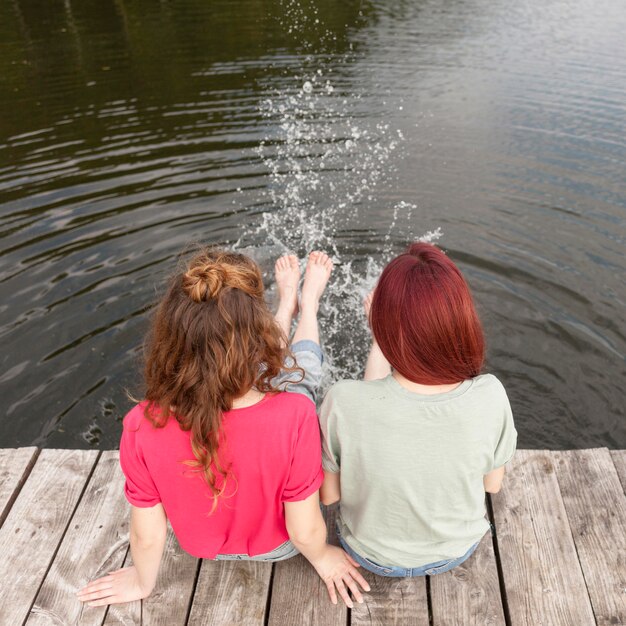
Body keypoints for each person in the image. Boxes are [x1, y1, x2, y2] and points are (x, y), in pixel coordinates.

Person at [77, 248, 369, 608]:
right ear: (258, 340)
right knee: (301, 377)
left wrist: (141, 582)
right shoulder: (295, 415)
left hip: (199, 548)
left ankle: (286, 304)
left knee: (278, 374)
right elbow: (304, 530)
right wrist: (323, 557)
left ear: (171, 342)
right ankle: (305, 304)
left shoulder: (142, 423)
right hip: (277, 548)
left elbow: (148, 535)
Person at [319, 242, 517, 577]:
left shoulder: (342, 400)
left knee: (371, 400)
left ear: (384, 325)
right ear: (461, 318)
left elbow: (329, 495)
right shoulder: (491, 394)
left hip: (367, 553)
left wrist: (382, 335)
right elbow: (492, 485)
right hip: (455, 550)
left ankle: (383, 341)